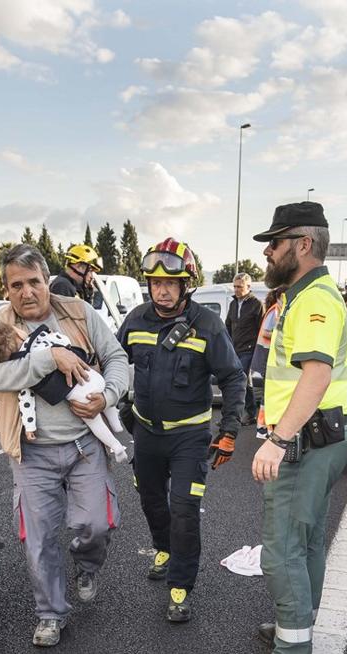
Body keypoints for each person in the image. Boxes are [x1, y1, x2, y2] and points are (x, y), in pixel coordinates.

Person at [0, 243, 130, 648]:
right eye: (16, 285)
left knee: (94, 525)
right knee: (39, 537)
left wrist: (108, 396)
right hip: (31, 452)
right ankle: (50, 613)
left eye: (34, 282)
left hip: (85, 445)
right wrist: (53, 358)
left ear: (47, 281)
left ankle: (86, 565)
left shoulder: (79, 312)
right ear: (6, 289)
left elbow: (116, 357)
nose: (27, 292)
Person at [248, 202, 347, 654]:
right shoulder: (309, 295)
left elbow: (316, 373)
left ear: (303, 245)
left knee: (282, 549)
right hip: (323, 436)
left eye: (275, 242)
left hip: (305, 442)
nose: (268, 252)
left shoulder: (313, 300)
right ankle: (298, 626)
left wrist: (276, 439)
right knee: (306, 539)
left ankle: (293, 653)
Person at [119, 238, 246, 622]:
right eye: (155, 283)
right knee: (151, 501)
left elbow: (233, 378)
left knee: (185, 510)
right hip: (146, 434)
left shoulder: (206, 325)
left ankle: (180, 587)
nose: (162, 290)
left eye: (170, 284)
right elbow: (109, 360)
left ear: (185, 285)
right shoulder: (136, 320)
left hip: (190, 437)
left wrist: (229, 431)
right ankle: (164, 547)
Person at [0, 320, 130, 461]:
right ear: (18, 333)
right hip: (92, 377)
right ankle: (116, 424)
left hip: (78, 395)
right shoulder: (41, 337)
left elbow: (26, 400)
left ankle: (116, 447)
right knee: (102, 396)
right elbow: (65, 342)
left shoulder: (22, 367)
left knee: (95, 423)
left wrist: (30, 426)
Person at [224, 272, 264, 426]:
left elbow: (262, 328)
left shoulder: (256, 304)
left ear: (248, 287)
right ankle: (250, 413)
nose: (236, 289)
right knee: (242, 382)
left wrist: (258, 351)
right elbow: (228, 325)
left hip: (249, 350)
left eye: (239, 287)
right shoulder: (233, 304)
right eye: (234, 286)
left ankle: (237, 416)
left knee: (240, 381)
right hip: (234, 349)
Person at [250, 288, 284, 439]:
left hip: (268, 360)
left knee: (268, 396)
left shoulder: (278, 310)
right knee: (267, 396)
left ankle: (264, 428)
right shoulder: (275, 311)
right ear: (279, 298)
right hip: (265, 360)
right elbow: (266, 332)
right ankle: (263, 428)